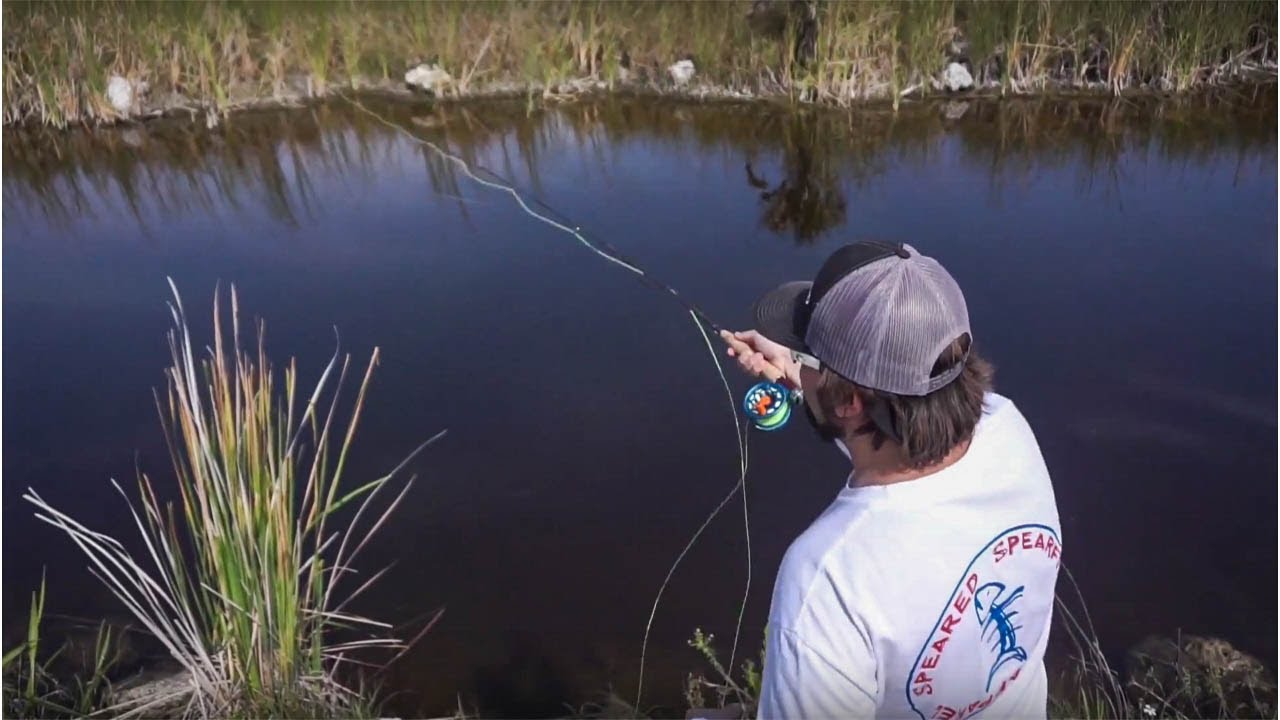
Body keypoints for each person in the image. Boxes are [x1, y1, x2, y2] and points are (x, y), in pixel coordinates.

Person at [719, 240, 1062, 720]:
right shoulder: (1006, 428)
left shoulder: (828, 579)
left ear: (852, 403)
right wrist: (806, 375)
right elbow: (889, 432)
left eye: (807, 356)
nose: (798, 361)